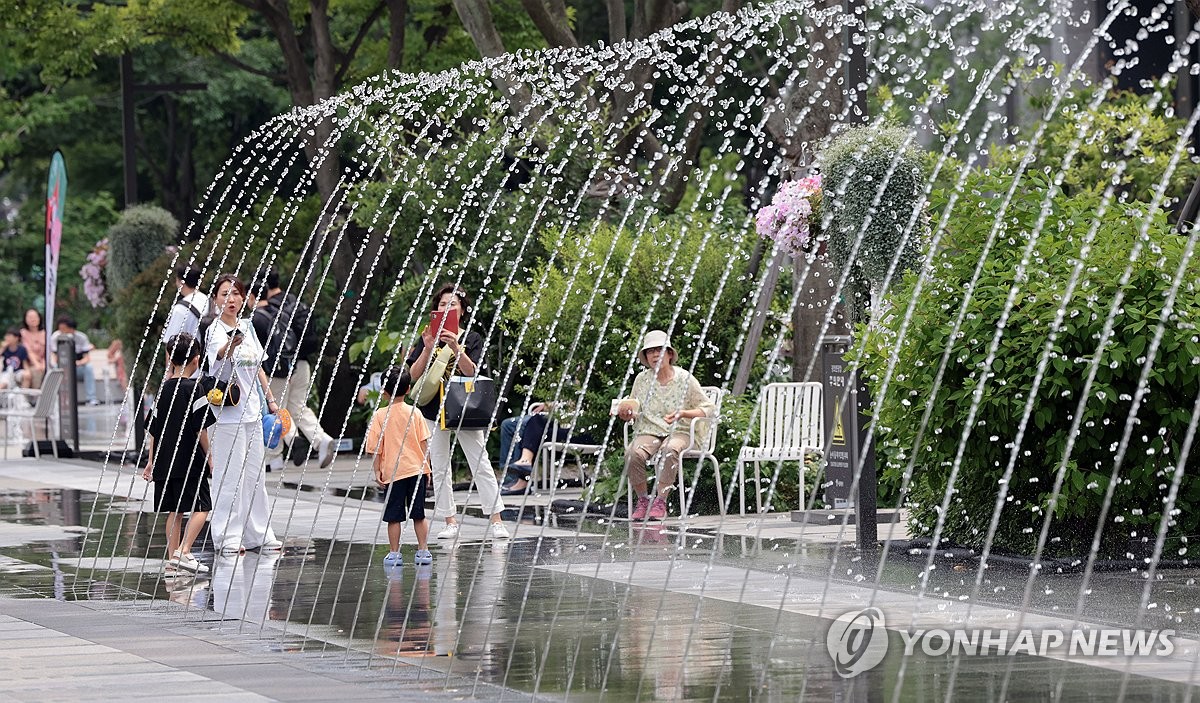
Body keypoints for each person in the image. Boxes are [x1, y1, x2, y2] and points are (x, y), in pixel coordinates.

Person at [406, 283, 508, 540]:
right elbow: (412, 376)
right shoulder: (427, 336)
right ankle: (449, 521)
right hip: (432, 408)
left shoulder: (471, 338)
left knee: (480, 462)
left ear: (462, 310)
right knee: (439, 466)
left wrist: (455, 346)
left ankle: (496, 519)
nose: (446, 308)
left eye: (452, 304)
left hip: (464, 407)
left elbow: (472, 371)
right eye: (442, 304)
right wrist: (428, 347)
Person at [205, 273, 284, 555]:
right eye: (225, 294)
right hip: (226, 415)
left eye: (236, 293)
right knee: (230, 476)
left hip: (252, 412)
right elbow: (217, 357)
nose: (231, 299)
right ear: (216, 299)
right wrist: (231, 346)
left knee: (255, 476)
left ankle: (259, 535)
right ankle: (227, 536)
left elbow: (259, 367)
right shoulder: (214, 331)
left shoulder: (247, 327)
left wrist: (271, 400)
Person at [615, 329, 716, 521]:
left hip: (681, 431)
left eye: (659, 350)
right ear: (645, 356)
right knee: (632, 453)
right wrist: (626, 413)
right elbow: (634, 408)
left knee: (669, 449)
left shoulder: (684, 378)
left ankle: (660, 501)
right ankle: (643, 500)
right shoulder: (642, 380)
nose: (655, 355)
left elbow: (709, 408)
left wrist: (683, 413)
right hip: (650, 430)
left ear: (669, 354)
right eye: (650, 351)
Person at [141, 333, 219, 574]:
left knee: (175, 511)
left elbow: (153, 430)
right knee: (202, 506)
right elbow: (200, 428)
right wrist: (209, 456)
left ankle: (172, 561)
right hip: (189, 460)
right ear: (196, 360)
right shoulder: (195, 389)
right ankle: (184, 551)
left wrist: (151, 461)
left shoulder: (163, 390)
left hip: (165, 460)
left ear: (170, 359)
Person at [248, 268, 336, 472]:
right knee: (297, 407)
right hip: (301, 363)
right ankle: (320, 440)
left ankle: (278, 454)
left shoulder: (267, 310)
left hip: (282, 367)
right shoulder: (295, 303)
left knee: (276, 408)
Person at [365, 366, 433, 567]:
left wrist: (377, 470)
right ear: (408, 389)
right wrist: (426, 468)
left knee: (394, 517)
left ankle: (394, 554)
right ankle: (423, 550)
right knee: (419, 514)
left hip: (393, 474)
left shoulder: (380, 415)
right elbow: (423, 443)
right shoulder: (416, 413)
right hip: (416, 471)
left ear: (384, 392)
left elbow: (376, 447)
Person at [497, 403, 594, 495]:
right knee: (537, 421)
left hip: (583, 433)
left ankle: (523, 471)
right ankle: (523, 466)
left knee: (535, 425)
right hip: (566, 427)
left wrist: (549, 405)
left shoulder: (591, 391)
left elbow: (573, 405)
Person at [50, 316, 98, 405]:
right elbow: (55, 357)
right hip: (63, 367)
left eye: (64, 329)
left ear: (72, 329)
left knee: (88, 368)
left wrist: (77, 363)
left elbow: (86, 358)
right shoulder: (56, 337)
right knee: (55, 369)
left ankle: (91, 398)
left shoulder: (82, 337)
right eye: (60, 329)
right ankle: (57, 399)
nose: (62, 331)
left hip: (77, 367)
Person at [162, 265, 210, 343]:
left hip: (190, 354)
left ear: (181, 282)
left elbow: (171, 342)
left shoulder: (181, 308)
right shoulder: (209, 301)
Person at [19, 308, 45, 389]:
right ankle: (35, 397)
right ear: (25, 319)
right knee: (36, 371)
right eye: (30, 317)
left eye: (35, 317)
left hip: (43, 363)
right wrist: (37, 364)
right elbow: (28, 351)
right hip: (28, 364)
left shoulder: (44, 333)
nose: (33, 319)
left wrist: (44, 363)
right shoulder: (23, 333)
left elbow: (48, 352)